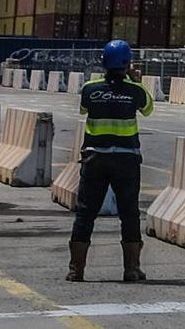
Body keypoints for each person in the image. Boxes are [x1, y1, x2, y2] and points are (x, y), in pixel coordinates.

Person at [68, 40, 153, 283]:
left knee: (85, 213)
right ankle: (132, 269)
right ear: (128, 63)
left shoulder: (90, 88)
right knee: (129, 213)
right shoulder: (135, 91)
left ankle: (76, 270)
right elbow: (148, 109)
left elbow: (84, 110)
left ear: (103, 62)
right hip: (126, 160)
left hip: (95, 158)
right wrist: (136, 80)